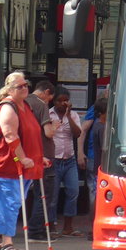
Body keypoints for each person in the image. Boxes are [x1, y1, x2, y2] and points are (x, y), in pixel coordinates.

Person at [0, 71, 43, 250]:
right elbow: (10, 135)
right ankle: (6, 242)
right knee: (10, 202)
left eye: (26, 85)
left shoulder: (25, 106)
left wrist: (38, 158)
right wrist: (22, 158)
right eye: (20, 86)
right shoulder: (8, 107)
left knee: (8, 202)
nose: (25, 88)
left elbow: (30, 135)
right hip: (9, 164)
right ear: (9, 89)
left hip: (24, 164)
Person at [25, 79, 57, 240]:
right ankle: (36, 230)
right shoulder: (41, 105)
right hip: (44, 155)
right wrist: (55, 126)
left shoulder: (23, 102)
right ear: (46, 92)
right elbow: (48, 133)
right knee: (44, 194)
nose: (49, 101)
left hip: (26, 154)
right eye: (50, 98)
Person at [48, 87, 82, 238]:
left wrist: (68, 116)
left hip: (69, 160)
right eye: (59, 101)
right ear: (54, 101)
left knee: (73, 191)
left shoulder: (73, 115)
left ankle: (68, 227)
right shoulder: (48, 114)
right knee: (53, 195)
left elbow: (77, 134)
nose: (62, 103)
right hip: (54, 160)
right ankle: (51, 226)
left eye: (65, 100)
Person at [78, 94, 108, 226]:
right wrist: (80, 152)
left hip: (95, 161)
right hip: (96, 162)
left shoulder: (99, 125)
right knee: (96, 194)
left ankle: (94, 223)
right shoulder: (100, 127)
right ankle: (94, 224)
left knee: (95, 193)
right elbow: (83, 130)